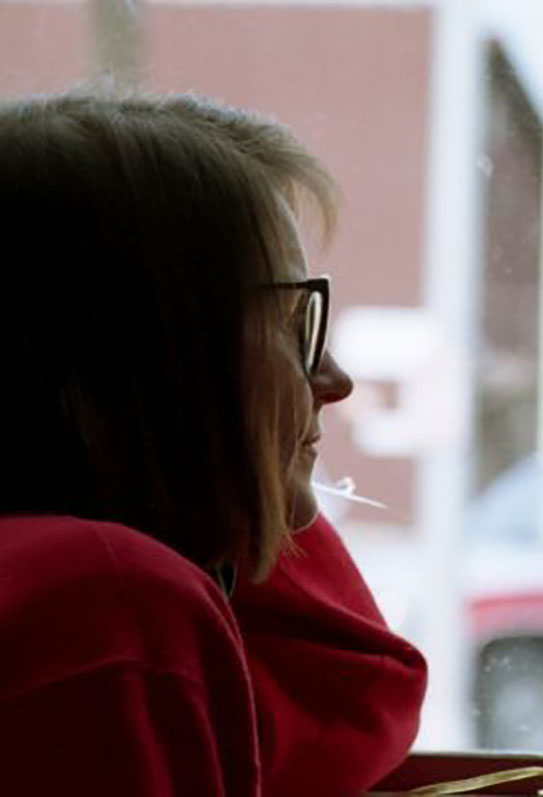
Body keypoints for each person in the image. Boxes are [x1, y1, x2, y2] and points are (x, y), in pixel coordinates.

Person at [0, 93, 427, 795]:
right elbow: (351, 696)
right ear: (154, 353)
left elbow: (351, 695)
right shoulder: (107, 598)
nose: (334, 379)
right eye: (294, 323)